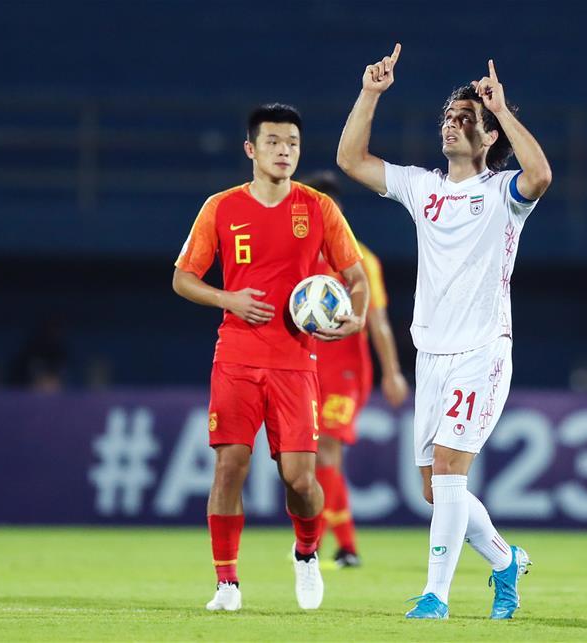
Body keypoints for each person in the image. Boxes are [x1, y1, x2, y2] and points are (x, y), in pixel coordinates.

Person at [337, 44, 552, 620]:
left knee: (453, 474)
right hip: (430, 353)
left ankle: (436, 597)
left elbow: (541, 174)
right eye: (447, 119)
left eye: (465, 120)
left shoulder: (502, 194)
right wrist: (370, 93)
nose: (452, 126)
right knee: (437, 491)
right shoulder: (422, 188)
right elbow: (351, 159)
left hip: (482, 350)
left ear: (486, 137)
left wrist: (501, 110)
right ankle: (505, 562)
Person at [172, 104, 369, 612]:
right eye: (274, 142)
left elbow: (358, 277)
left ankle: (307, 552)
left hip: (296, 363)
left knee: (301, 480)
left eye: (293, 144)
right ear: (251, 149)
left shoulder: (319, 207)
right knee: (229, 467)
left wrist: (356, 316)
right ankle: (227, 584)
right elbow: (183, 278)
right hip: (235, 355)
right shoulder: (220, 207)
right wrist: (228, 299)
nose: (285, 151)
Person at [303, 172, 409, 568]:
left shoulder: (361, 260)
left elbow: (377, 321)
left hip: (347, 370)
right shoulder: (295, 257)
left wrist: (392, 371)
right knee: (312, 458)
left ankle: (346, 547)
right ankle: (326, 541)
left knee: (326, 447)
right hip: (306, 367)